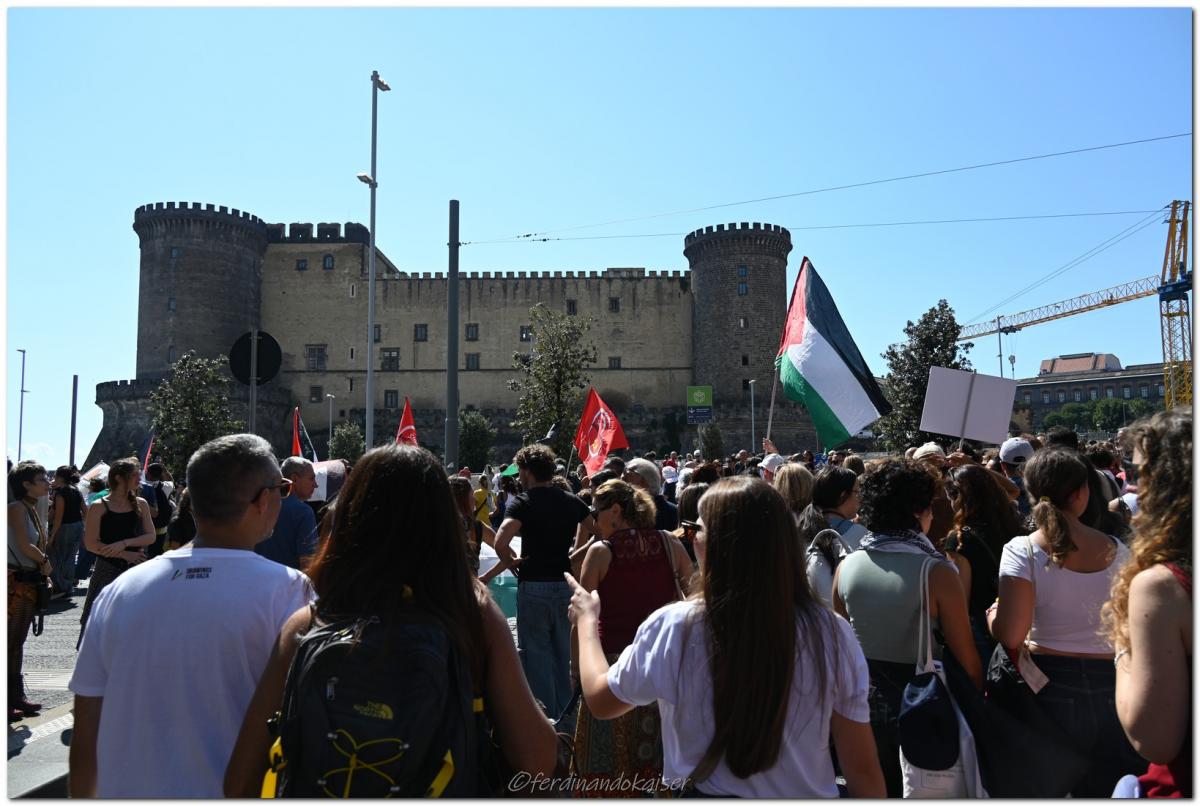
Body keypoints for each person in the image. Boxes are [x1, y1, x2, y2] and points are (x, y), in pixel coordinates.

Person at [224, 444, 558, 796]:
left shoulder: (308, 624)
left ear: (349, 518)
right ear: (443, 524)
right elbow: (537, 760)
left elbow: (240, 783)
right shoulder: (471, 613)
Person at [568, 476, 885, 797]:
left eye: (697, 530)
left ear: (717, 543)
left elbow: (600, 700)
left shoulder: (675, 628)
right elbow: (862, 771)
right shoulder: (831, 632)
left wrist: (586, 621)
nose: (691, 539)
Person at [68, 434, 316, 797]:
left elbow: (86, 734)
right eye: (283, 488)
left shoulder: (119, 592)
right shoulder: (293, 593)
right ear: (264, 499)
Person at [987, 445, 1143, 797]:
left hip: (1047, 687)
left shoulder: (1021, 551)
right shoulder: (1120, 551)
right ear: (1081, 493)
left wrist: (993, 617)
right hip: (1114, 682)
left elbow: (1010, 635)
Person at [833, 460, 982, 797]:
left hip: (860, 702)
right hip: (922, 704)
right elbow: (965, 654)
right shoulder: (938, 572)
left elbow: (841, 643)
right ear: (920, 511)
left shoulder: (846, 566)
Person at [572, 480, 691, 793]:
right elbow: (696, 601)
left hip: (610, 668)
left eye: (595, 513)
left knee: (607, 769)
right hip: (662, 667)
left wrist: (577, 672)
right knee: (660, 762)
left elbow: (583, 616)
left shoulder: (600, 553)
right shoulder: (670, 543)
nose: (592, 521)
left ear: (615, 511)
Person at [1101, 410, 1192, 798]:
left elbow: (1152, 739)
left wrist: (1123, 645)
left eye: (1139, 475)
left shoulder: (1162, 585)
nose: (1135, 489)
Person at [494, 444, 593, 728]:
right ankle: (568, 724)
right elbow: (599, 531)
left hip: (533, 585)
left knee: (536, 659)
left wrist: (512, 561)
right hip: (563, 586)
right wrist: (576, 556)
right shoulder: (570, 499)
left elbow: (501, 540)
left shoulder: (523, 501)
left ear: (526, 471)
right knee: (564, 657)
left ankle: (545, 725)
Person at [944, 464, 1029, 669]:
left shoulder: (960, 539)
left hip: (983, 629)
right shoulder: (1020, 530)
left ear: (958, 497)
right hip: (1022, 624)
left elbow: (960, 602)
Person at [77, 458, 155, 648]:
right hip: (107, 569)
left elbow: (151, 536)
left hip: (137, 570)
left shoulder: (141, 503)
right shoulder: (99, 506)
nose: (139, 478)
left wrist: (124, 544)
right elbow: (90, 544)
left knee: (134, 623)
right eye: (135, 475)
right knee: (102, 623)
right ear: (119, 478)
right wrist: (123, 554)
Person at [8, 461, 52, 721]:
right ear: (25, 484)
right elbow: (25, 545)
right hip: (15, 582)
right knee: (10, 642)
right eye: (41, 479)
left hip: (27, 581)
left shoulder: (31, 508)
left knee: (17, 642)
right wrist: (46, 564)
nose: (47, 482)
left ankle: (15, 696)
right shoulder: (16, 508)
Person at [798, 467, 868, 608]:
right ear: (843, 495)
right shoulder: (860, 535)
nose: (860, 497)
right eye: (857, 491)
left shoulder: (802, 529)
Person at [254, 456, 318, 569]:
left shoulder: (260, 505)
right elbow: (308, 563)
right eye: (311, 479)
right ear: (294, 479)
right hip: (290, 584)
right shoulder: (303, 512)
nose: (316, 485)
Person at [47, 465, 86, 598]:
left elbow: (58, 517)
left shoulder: (60, 493)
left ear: (59, 477)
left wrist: (51, 537)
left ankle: (60, 587)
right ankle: (68, 586)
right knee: (70, 557)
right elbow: (85, 511)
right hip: (78, 526)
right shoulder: (76, 490)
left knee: (58, 557)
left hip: (65, 528)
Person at [449, 475, 498, 579]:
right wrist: (486, 577)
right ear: (463, 499)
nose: (474, 499)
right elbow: (507, 553)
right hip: (470, 589)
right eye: (472, 494)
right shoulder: (491, 494)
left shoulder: (436, 525)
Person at [622, 458, 678, 531]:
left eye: (627, 472)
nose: (622, 477)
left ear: (644, 481)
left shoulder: (633, 513)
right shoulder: (674, 510)